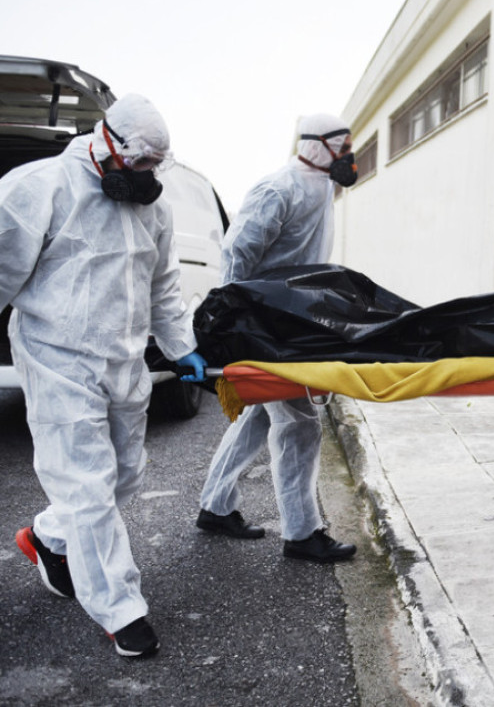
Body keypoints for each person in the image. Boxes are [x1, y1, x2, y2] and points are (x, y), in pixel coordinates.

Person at [3, 94, 208, 658]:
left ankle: (46, 536)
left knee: (124, 475)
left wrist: (181, 347)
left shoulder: (154, 208)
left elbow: (163, 285)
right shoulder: (39, 187)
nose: (144, 175)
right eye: (137, 162)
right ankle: (122, 611)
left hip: (124, 358)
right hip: (56, 356)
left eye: (154, 166)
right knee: (89, 487)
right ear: (105, 139)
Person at [196, 113, 359, 563]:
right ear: (315, 145)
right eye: (342, 147)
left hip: (296, 318)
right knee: (300, 423)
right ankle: (302, 533)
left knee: (261, 418)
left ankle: (215, 505)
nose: (349, 156)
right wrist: (236, 318)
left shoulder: (323, 186)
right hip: (267, 322)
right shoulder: (278, 188)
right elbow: (237, 252)